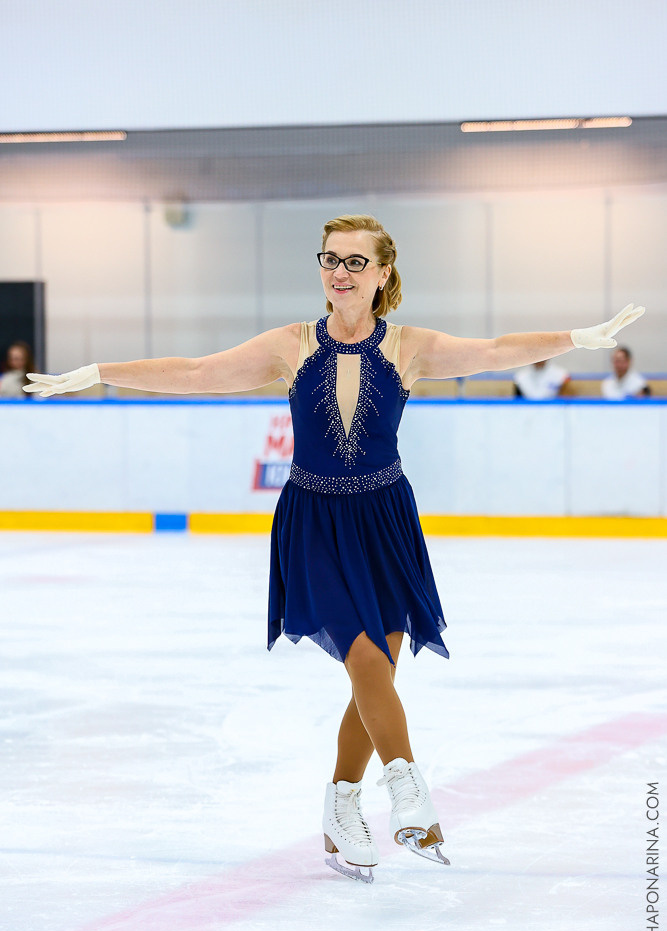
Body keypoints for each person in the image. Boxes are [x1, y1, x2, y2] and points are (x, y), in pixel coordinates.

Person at [23, 215, 646, 883]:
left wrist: (575, 338)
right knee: (363, 656)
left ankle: (340, 804)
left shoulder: (409, 346)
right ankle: (406, 782)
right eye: (330, 259)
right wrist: (96, 371)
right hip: (313, 519)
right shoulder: (291, 345)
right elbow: (197, 371)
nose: (340, 272)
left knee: (379, 665)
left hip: (385, 518)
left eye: (355, 261)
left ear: (382, 274)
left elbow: (495, 349)